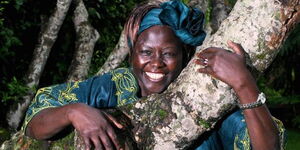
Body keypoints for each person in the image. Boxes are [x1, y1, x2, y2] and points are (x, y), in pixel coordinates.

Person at [22, 0, 285, 149]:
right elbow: (35, 125)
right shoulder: (114, 86)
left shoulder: (205, 100)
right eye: (146, 52)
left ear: (184, 55)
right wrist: (73, 111)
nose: (156, 64)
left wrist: (243, 83)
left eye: (168, 53)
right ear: (132, 53)